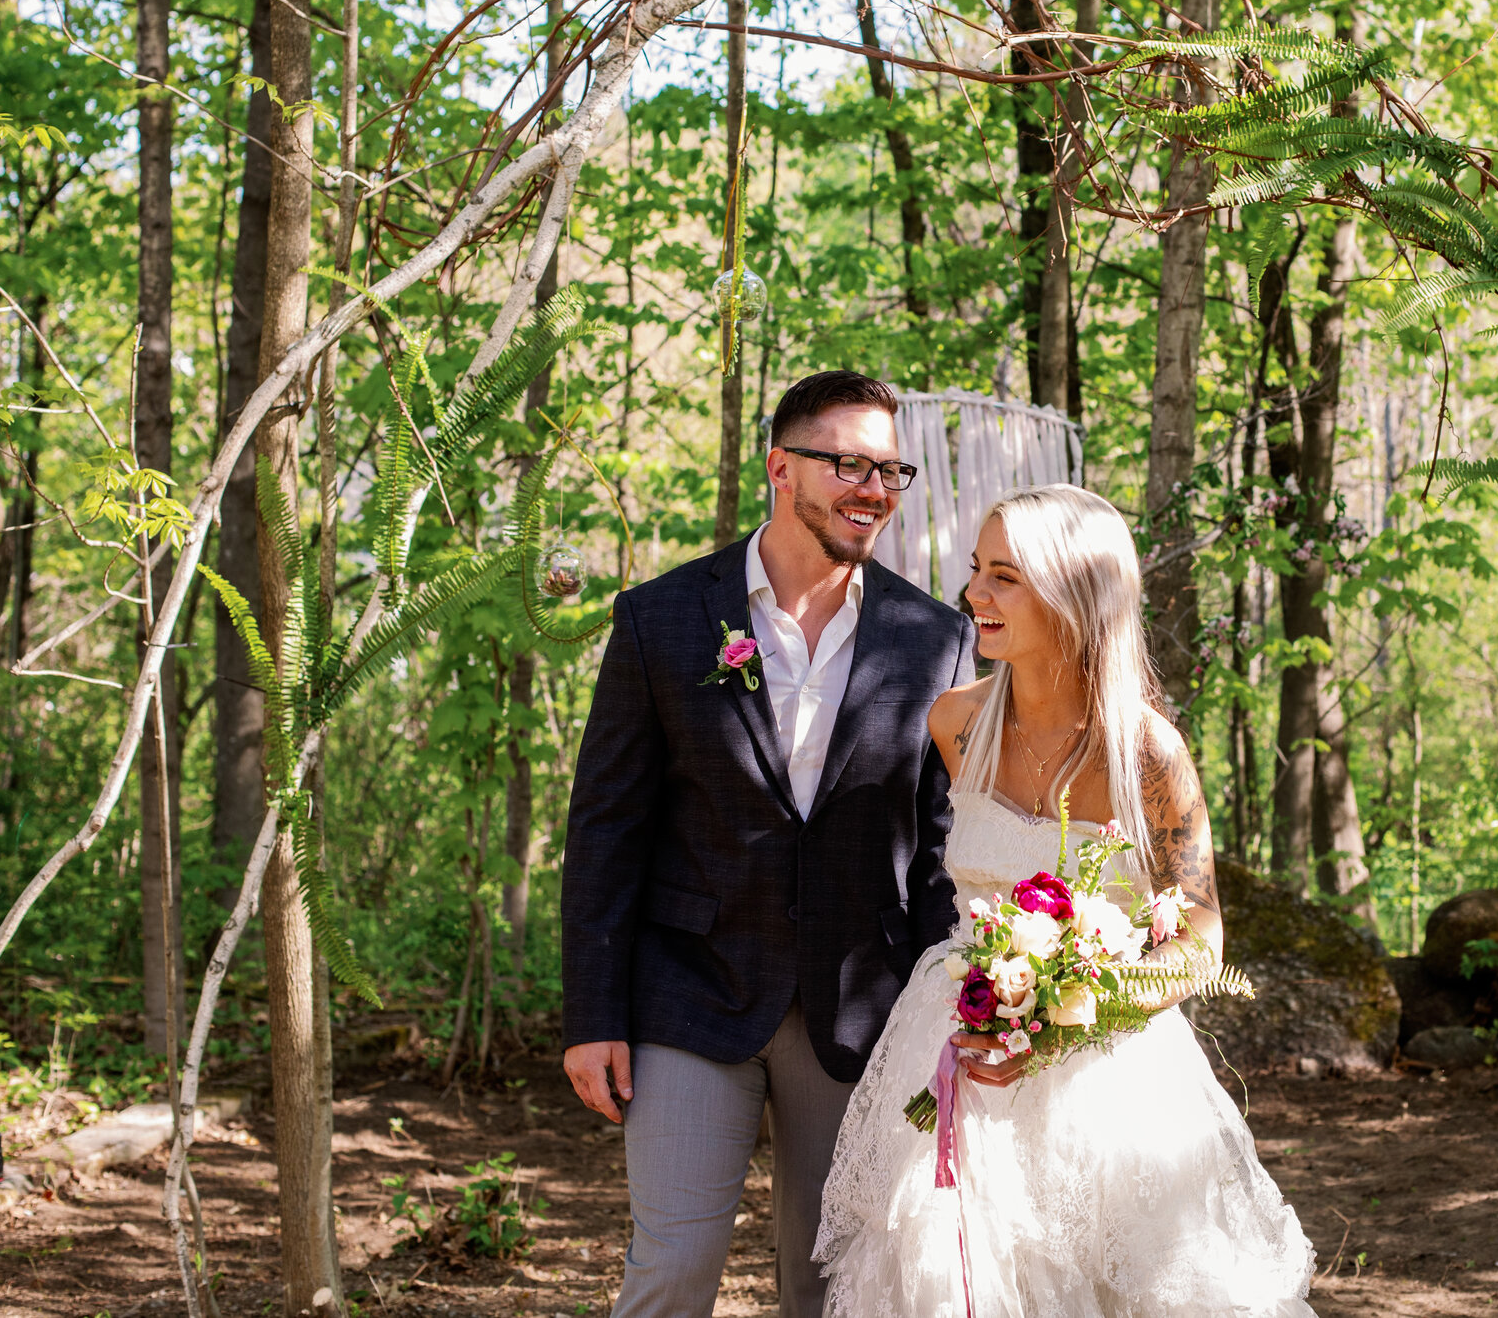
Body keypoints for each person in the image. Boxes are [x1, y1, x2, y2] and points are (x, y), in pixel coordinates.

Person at [816, 484, 1316, 1315]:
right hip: (959, 1056)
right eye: (978, 569)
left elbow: (1198, 939)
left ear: (1074, 593)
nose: (974, 592)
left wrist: (1066, 1016)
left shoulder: (1147, 752)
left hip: (1110, 1081)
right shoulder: (955, 725)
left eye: (1004, 575)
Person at [559, 370, 974, 1318]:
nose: (873, 488)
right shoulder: (660, 619)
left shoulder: (934, 637)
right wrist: (592, 1011)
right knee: (672, 1265)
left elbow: (941, 845)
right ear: (781, 467)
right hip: (688, 996)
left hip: (860, 1008)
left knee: (830, 1283)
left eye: (890, 469)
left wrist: (951, 1011)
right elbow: (606, 827)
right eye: (848, 464)